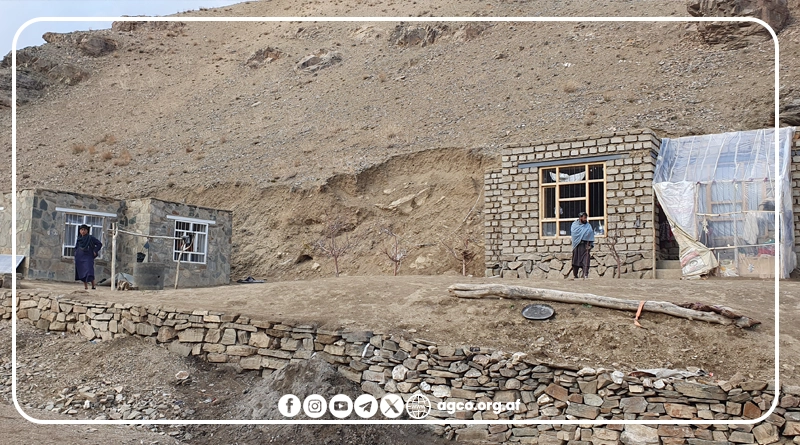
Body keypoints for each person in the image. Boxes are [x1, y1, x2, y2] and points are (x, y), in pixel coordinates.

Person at [74, 224, 102, 290]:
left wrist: (95, 251)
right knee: (82, 271)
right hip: (80, 257)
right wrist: (75, 254)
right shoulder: (79, 239)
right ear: (80, 231)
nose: (83, 231)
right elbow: (76, 247)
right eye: (81, 230)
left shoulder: (90, 238)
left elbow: (99, 244)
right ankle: (85, 286)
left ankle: (93, 285)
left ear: (87, 231)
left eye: (84, 230)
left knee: (89, 270)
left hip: (88, 256)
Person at [570, 212, 594, 280]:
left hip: (585, 245)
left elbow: (590, 232)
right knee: (575, 260)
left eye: (586, 218)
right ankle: (575, 275)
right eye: (584, 218)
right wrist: (582, 235)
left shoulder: (588, 225)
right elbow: (574, 233)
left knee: (586, 260)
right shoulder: (575, 225)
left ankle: (585, 274)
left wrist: (590, 244)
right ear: (580, 218)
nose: (585, 219)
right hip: (577, 245)